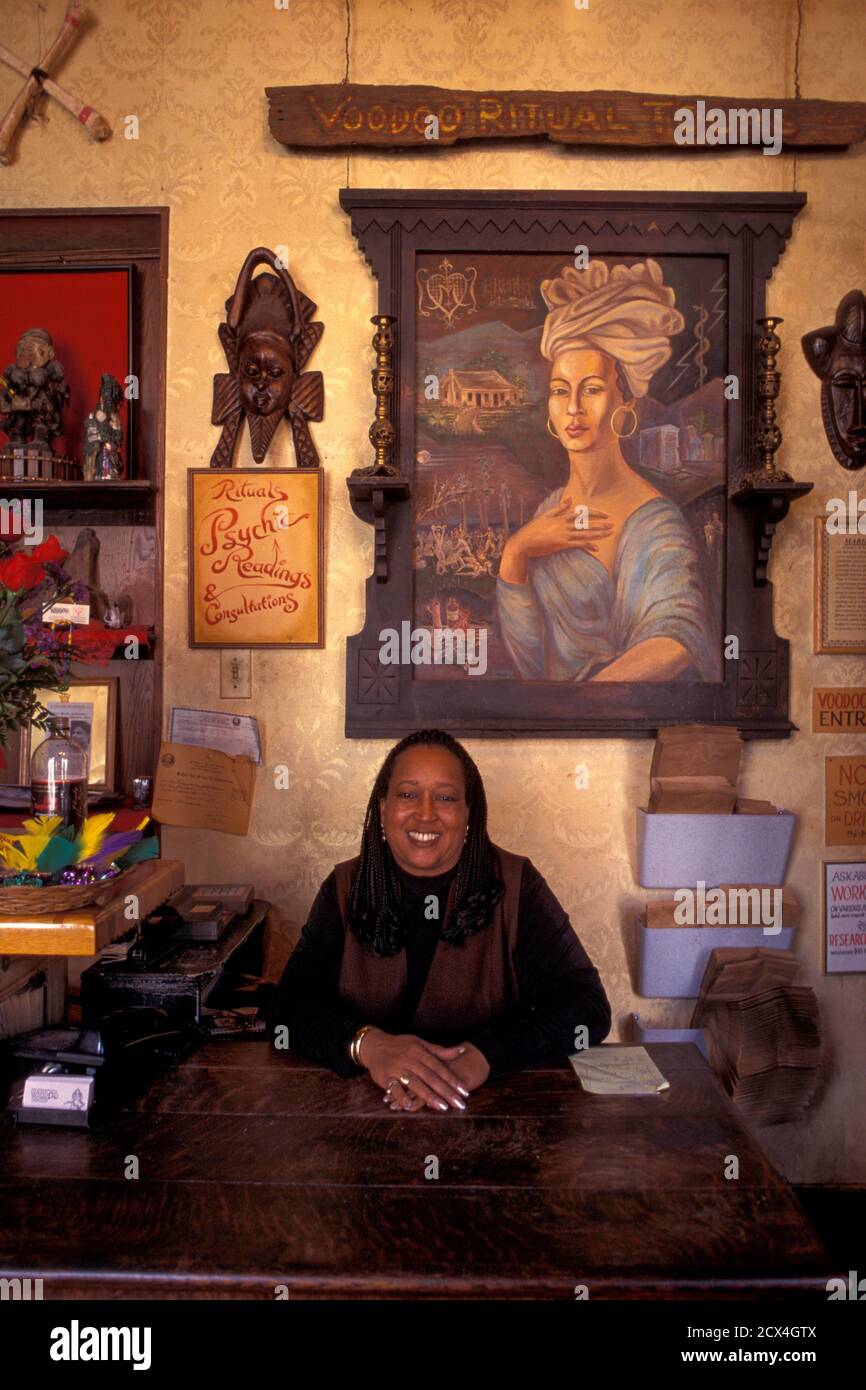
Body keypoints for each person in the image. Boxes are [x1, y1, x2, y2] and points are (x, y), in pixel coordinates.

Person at [268, 729, 611, 1112]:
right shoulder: (346, 886)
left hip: (489, 1111)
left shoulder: (517, 884)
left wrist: (485, 1057)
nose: (426, 813)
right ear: (383, 808)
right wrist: (369, 1045)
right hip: (364, 1112)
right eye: (408, 794)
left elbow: (587, 1009)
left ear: (468, 812)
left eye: (446, 797)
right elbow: (288, 1008)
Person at [497, 258, 717, 681]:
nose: (574, 408)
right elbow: (530, 670)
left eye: (592, 390)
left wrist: (582, 705)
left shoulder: (656, 524)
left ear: (625, 402)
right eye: (561, 391)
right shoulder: (548, 511)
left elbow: (676, 639)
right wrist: (517, 551)